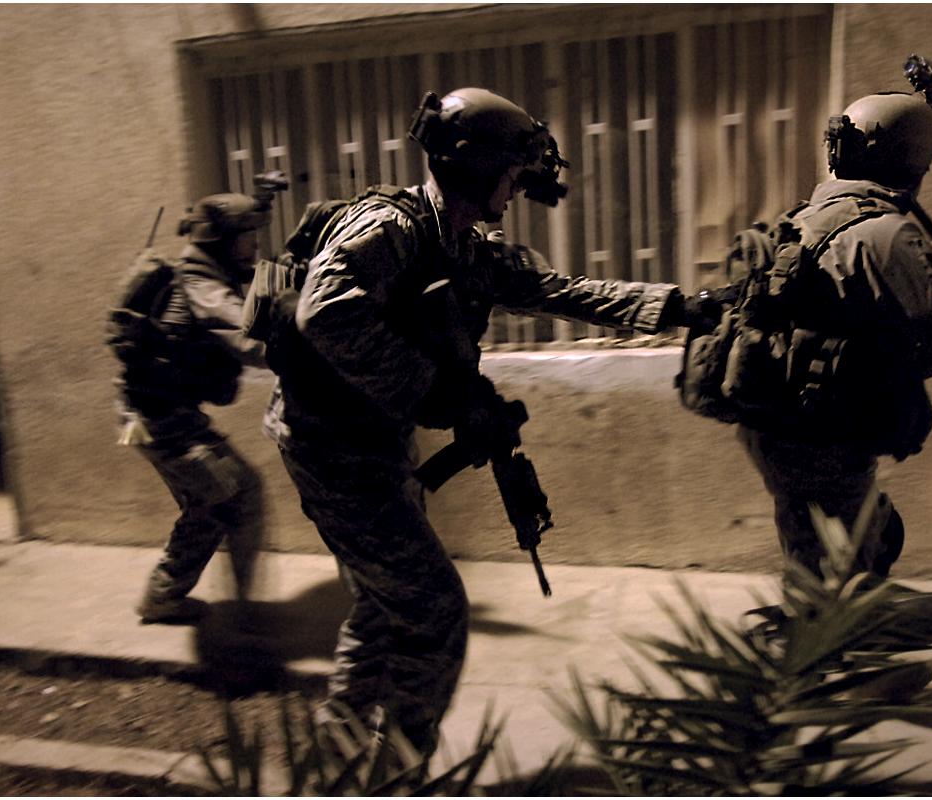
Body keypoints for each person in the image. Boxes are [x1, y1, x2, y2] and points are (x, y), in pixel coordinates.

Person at [263, 87, 686, 754]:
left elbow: (560, 291)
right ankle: (398, 770)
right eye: (512, 173)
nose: (516, 188)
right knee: (432, 608)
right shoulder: (392, 229)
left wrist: (681, 307)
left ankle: (339, 740)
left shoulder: (461, 247)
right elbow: (326, 312)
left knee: (385, 593)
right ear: (477, 166)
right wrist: (439, 393)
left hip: (376, 440)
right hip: (329, 445)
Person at [722, 58, 932, 579]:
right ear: (912, 161)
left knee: (834, 550)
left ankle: (815, 606)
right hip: (825, 438)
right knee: (853, 588)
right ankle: (824, 620)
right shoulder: (887, 234)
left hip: (778, 428)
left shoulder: (805, 216)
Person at [112, 192, 270, 624]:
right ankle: (245, 614)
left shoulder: (201, 273)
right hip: (162, 422)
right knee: (241, 493)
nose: (255, 245)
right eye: (247, 236)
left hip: (147, 415)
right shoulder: (203, 285)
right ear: (222, 240)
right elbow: (253, 342)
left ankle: (162, 596)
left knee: (209, 503)